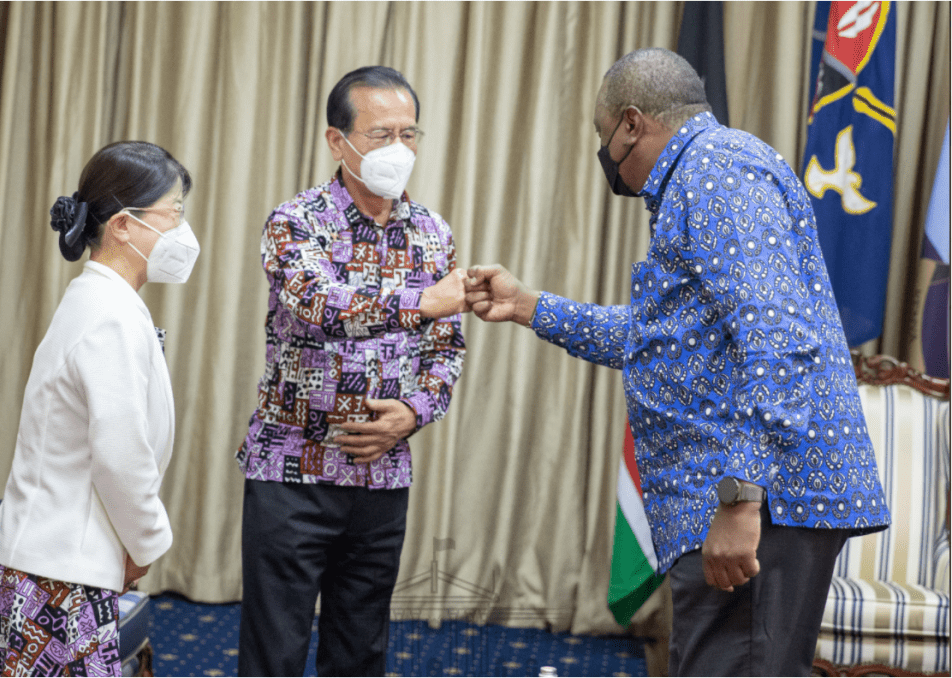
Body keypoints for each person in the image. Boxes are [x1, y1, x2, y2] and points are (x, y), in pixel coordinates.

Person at [465, 47, 891, 677]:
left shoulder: (716, 172)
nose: (606, 156)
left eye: (603, 135)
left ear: (632, 123)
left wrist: (742, 499)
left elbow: (777, 336)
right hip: (744, 497)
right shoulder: (702, 177)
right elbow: (663, 340)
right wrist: (529, 306)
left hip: (760, 503)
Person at [236, 66, 468, 676]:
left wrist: (414, 413)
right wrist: (420, 303)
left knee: (360, 653)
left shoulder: (433, 234)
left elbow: (447, 349)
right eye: (380, 134)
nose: (399, 149)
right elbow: (319, 306)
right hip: (292, 472)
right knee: (274, 652)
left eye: (409, 134)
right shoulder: (295, 223)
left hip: (381, 475)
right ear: (337, 142)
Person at [0, 141, 199, 677]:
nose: (182, 230)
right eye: (174, 212)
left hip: (42, 571)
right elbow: (120, 456)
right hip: (54, 584)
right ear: (124, 225)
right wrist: (145, 545)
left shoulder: (102, 301)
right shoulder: (110, 315)